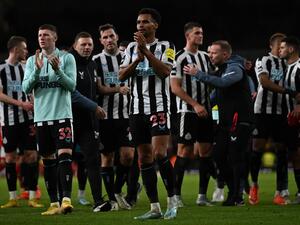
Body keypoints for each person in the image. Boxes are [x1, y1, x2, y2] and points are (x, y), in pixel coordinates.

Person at [119, 8, 177, 219]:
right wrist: (137, 58)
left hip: (159, 106)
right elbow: (122, 76)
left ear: (155, 25)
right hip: (136, 110)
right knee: (144, 158)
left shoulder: (167, 46)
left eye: (145, 22)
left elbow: (165, 72)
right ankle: (154, 208)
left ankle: (172, 201)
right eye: (138, 22)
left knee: (160, 154)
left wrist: (147, 52)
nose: (140, 25)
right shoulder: (130, 48)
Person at [184, 40, 254, 206]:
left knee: (235, 157)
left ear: (225, 54)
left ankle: (238, 196)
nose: (210, 55)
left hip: (240, 120)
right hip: (225, 123)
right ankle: (233, 190)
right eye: (209, 52)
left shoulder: (235, 67)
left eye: (213, 53)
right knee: (218, 156)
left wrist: (198, 74)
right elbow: (216, 94)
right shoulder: (221, 70)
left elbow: (224, 83)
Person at [22, 24, 76, 215]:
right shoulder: (31, 61)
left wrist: (58, 71)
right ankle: (53, 203)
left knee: (64, 157)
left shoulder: (67, 58)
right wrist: (36, 71)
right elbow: (26, 89)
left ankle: (66, 200)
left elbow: (71, 86)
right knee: (48, 161)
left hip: (62, 116)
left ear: (55, 37)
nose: (42, 38)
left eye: (46, 35)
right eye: (39, 35)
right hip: (42, 119)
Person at [170, 22, 215, 206]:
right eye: (197, 33)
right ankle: (175, 196)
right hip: (187, 111)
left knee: (205, 152)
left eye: (202, 33)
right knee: (185, 151)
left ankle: (202, 197)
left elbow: (213, 79)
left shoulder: (205, 57)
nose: (201, 36)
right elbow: (174, 87)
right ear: (188, 36)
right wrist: (195, 104)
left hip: (206, 111)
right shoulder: (179, 57)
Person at [93, 24, 136, 210]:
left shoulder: (127, 57)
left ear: (117, 36)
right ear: (101, 41)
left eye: (111, 36)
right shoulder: (96, 60)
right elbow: (99, 88)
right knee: (107, 158)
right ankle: (111, 198)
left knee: (128, 156)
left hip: (127, 115)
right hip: (105, 117)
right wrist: (118, 88)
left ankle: (118, 191)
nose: (109, 40)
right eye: (105, 37)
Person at [69, 31, 110, 212]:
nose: (87, 48)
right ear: (75, 46)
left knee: (93, 160)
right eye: (83, 45)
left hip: (89, 122)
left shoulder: (93, 64)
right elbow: (71, 93)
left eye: (89, 45)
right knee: (63, 160)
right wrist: (94, 106)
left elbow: (97, 89)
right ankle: (61, 200)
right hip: (69, 119)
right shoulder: (69, 63)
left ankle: (98, 201)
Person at [0, 36, 42, 208]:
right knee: (10, 157)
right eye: (24, 49)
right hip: (9, 120)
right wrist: (21, 104)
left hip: (28, 120)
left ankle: (32, 196)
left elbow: (33, 89)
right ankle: (12, 198)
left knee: (31, 156)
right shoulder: (1, 69)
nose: (26, 52)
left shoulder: (27, 68)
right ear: (15, 49)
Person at [249, 33, 290, 205]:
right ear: (272, 45)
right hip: (262, 111)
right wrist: (288, 92)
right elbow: (264, 82)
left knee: (282, 150)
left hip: (281, 111)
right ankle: (254, 186)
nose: (283, 49)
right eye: (281, 45)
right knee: (257, 148)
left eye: (285, 46)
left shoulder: (288, 63)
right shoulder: (263, 60)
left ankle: (280, 191)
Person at [278, 36, 300, 204]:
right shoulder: (285, 68)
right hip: (290, 118)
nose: (280, 50)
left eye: (283, 47)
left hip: (297, 115)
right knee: (294, 154)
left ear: (291, 49)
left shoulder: (299, 66)